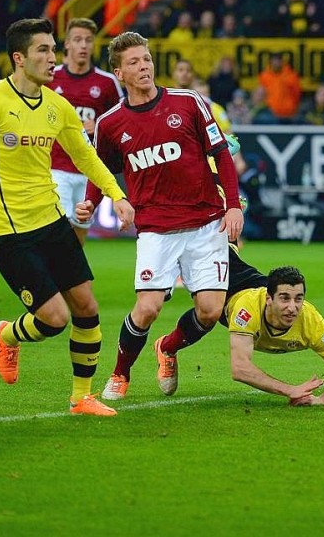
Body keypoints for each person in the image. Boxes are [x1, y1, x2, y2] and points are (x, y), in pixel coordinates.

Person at [0, 18, 135, 416]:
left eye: (54, 49)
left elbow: (87, 156)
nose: (53, 58)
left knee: (87, 306)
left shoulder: (57, 106)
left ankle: (81, 397)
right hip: (10, 232)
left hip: (52, 221)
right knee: (54, 318)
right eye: (43, 50)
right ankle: (6, 334)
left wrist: (117, 195)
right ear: (19, 58)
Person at [74, 31, 244, 402]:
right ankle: (120, 373)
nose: (144, 67)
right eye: (134, 62)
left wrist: (232, 204)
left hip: (205, 223)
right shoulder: (111, 123)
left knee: (211, 311)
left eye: (146, 59)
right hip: (156, 229)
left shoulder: (188, 102)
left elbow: (222, 154)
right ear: (119, 73)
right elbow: (101, 168)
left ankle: (167, 348)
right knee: (148, 308)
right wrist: (90, 200)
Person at [220, 258, 324, 406]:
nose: (292, 307)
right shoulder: (248, 309)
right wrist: (289, 389)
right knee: (207, 313)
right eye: (285, 299)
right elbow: (239, 369)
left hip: (257, 284)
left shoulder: (311, 322)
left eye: (298, 299)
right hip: (230, 287)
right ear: (268, 299)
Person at [48, 18, 124, 245]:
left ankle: (71, 279)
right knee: (57, 228)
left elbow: (121, 122)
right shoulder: (51, 78)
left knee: (80, 231)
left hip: (89, 170)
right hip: (55, 166)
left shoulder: (107, 82)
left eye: (88, 40)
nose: (83, 45)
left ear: (93, 46)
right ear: (67, 44)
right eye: (78, 40)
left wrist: (99, 125)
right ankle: (53, 277)